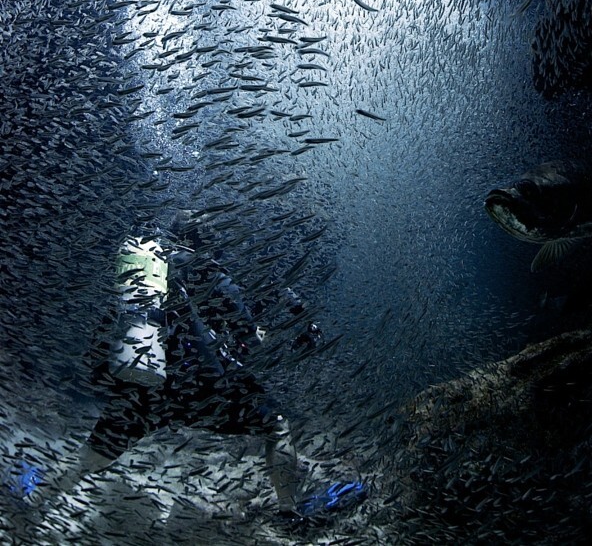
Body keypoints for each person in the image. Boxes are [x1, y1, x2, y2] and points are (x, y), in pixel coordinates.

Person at [7, 215, 365, 533]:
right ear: (208, 242)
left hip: (145, 387)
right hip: (203, 388)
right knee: (276, 425)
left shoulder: (148, 272)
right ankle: (289, 512)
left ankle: (33, 506)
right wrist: (269, 334)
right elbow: (246, 334)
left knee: (92, 455)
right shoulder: (206, 269)